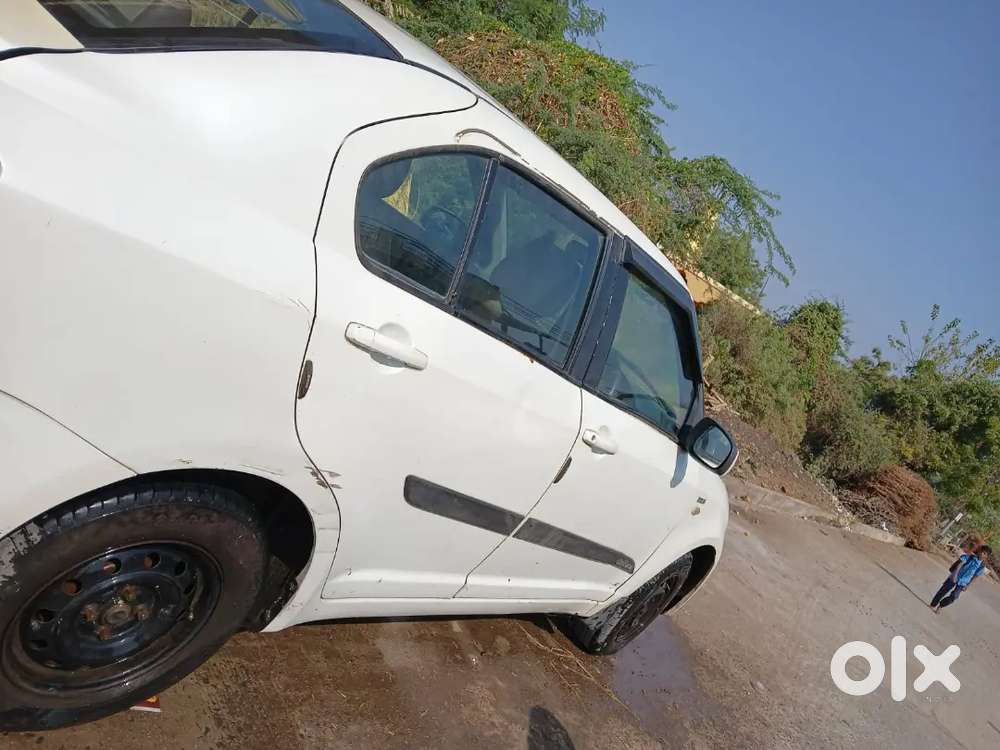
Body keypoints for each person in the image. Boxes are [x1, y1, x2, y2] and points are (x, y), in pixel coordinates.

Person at [930, 545, 992, 612]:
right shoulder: (970, 556)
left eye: (984, 553)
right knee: (943, 591)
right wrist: (955, 575)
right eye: (981, 552)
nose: (982, 554)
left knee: (954, 596)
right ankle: (933, 605)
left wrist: (967, 585)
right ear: (979, 551)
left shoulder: (981, 566)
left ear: (986, 556)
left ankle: (941, 605)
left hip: (963, 582)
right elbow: (960, 564)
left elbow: (975, 576)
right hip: (955, 576)